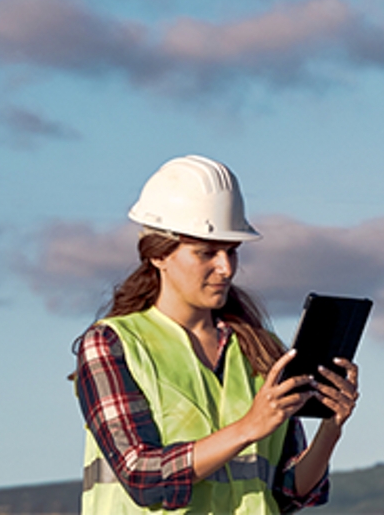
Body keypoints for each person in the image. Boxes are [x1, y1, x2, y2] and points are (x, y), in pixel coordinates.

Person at [74, 155, 358, 514]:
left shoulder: (260, 351)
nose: (225, 268)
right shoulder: (113, 344)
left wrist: (331, 428)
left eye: (231, 252)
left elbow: (290, 491)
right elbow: (141, 476)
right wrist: (248, 428)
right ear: (158, 256)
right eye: (206, 253)